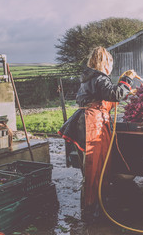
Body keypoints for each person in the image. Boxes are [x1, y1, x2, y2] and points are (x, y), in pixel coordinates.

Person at [58, 46, 136, 223]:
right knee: (94, 166)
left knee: (94, 167)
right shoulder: (100, 77)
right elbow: (114, 94)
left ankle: (96, 203)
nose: (111, 67)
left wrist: (126, 91)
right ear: (105, 63)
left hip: (89, 121)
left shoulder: (89, 77)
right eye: (110, 63)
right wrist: (126, 80)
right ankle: (91, 210)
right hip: (93, 123)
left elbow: (101, 98)